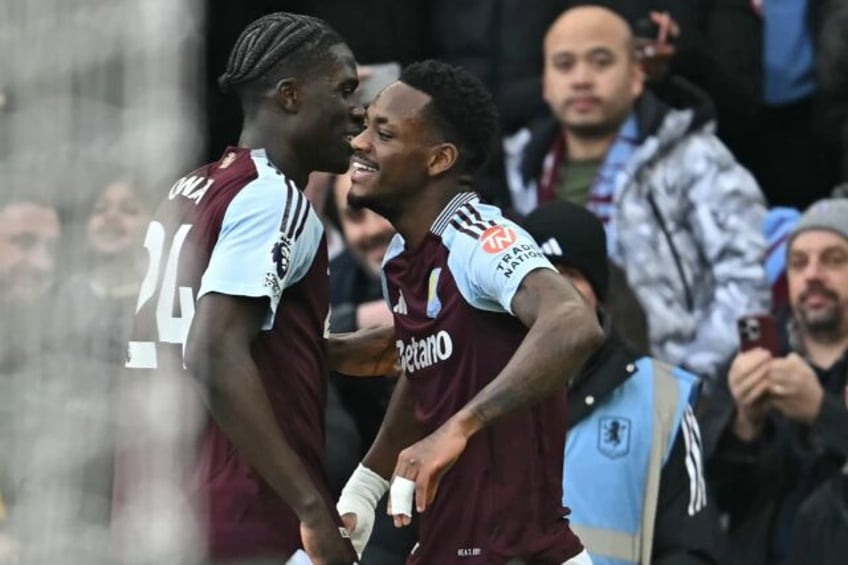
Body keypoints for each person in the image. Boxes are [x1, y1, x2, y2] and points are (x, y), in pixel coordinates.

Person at [115, 13, 395, 565]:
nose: (358, 110)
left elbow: (190, 336)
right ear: (290, 96)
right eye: (343, 90)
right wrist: (314, 510)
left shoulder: (193, 186)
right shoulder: (276, 198)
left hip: (157, 509)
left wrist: (322, 351)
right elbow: (213, 351)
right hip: (241, 513)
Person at [335, 59, 604, 565]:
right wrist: (367, 483)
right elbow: (424, 363)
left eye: (384, 133)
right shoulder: (402, 256)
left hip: (516, 551)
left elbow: (573, 323)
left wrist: (456, 429)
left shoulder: (478, 238)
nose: (359, 143)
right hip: (453, 542)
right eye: (366, 125)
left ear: (438, 160)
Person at [504, 5, 770, 381]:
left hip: (675, 388)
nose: (581, 79)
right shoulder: (519, 170)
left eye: (601, 62)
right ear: (545, 84)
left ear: (636, 75)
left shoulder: (696, 158)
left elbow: (748, 278)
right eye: (564, 65)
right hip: (554, 395)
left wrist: (686, 384)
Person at [523, 200, 719, 565]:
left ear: (598, 294)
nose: (558, 290)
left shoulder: (666, 398)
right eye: (542, 274)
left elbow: (690, 548)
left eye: (571, 274)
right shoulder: (467, 388)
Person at [700, 198, 848, 565]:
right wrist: (745, 424)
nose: (812, 274)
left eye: (834, 259)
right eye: (798, 263)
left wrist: (822, 413)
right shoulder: (746, 364)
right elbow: (706, 495)